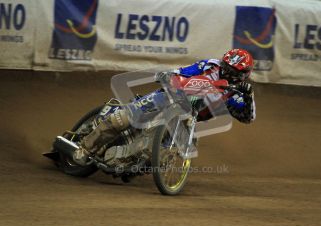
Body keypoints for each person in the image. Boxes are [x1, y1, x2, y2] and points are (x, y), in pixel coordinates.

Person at [73, 48, 256, 165]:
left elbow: (248, 118)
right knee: (120, 119)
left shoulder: (237, 94)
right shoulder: (209, 66)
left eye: (231, 70)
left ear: (243, 75)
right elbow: (183, 72)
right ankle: (84, 148)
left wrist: (249, 97)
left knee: (160, 153)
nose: (225, 69)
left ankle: (128, 160)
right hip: (167, 98)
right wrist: (169, 75)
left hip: (188, 119)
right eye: (225, 64)